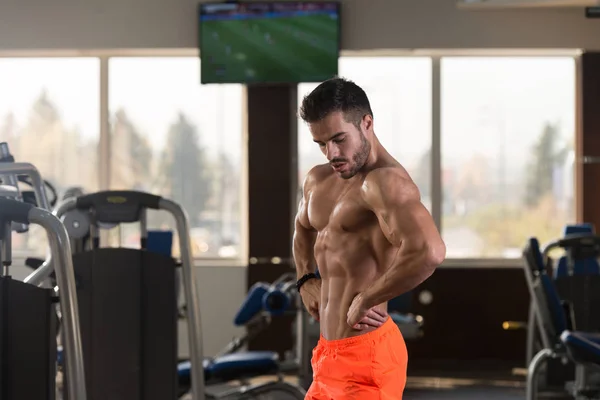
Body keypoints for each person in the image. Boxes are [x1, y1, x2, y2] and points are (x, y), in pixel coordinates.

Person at [293, 77, 446, 400]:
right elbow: (302, 229)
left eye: (338, 139)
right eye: (321, 144)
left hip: (368, 357)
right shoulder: (318, 180)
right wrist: (305, 277)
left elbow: (429, 252)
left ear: (367, 123)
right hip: (326, 356)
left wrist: (367, 297)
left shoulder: (387, 184)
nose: (331, 153)